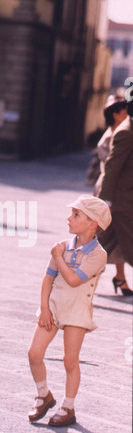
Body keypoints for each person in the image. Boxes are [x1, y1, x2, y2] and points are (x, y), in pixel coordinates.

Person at [28, 195, 111, 427]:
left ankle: (68, 407)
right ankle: (43, 395)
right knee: (34, 353)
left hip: (77, 310)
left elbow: (74, 280)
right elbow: (48, 279)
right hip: (53, 307)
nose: (69, 218)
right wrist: (44, 308)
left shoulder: (98, 255)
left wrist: (57, 256)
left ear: (92, 223)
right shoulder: (63, 246)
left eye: (76, 215)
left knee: (70, 360)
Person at [94, 95, 133, 296]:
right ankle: (74, 277)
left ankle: (119, 278)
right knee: (106, 242)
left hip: (118, 198)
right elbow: (110, 167)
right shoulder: (123, 133)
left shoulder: (124, 129)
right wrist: (105, 200)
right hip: (117, 197)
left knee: (105, 243)